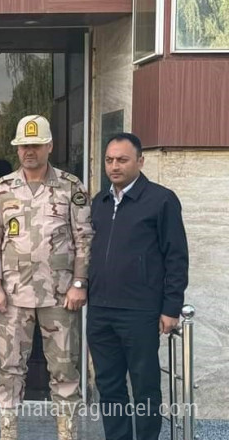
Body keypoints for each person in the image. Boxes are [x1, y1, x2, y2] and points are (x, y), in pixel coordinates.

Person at [0, 115, 92, 440]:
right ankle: (8, 432)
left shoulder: (71, 187)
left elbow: (83, 239)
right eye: (23, 146)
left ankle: (67, 432)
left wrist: (78, 283)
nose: (29, 151)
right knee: (10, 369)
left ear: (49, 146)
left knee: (64, 368)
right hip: (13, 298)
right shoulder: (2, 189)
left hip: (60, 297)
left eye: (35, 145)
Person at [88, 132, 188, 440]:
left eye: (122, 160)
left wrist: (170, 307)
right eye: (109, 160)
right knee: (109, 386)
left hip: (139, 311)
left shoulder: (161, 200)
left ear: (140, 161)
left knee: (145, 387)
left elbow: (176, 256)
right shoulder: (100, 202)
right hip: (101, 311)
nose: (114, 166)